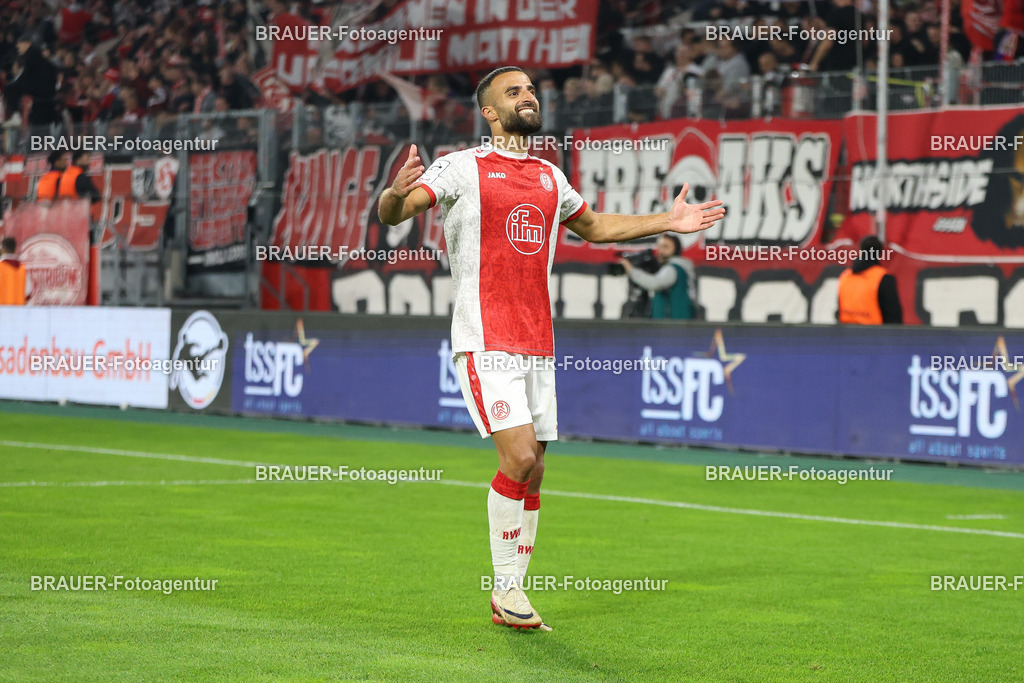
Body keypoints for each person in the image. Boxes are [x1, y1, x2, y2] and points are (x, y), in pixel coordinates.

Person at [377, 65, 725, 631]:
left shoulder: (548, 176)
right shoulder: (461, 167)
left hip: (537, 341)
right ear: (489, 112)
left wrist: (668, 220)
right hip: (486, 337)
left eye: (531, 90)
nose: (528, 96)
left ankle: (511, 595)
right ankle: (505, 588)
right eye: (513, 92)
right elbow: (397, 213)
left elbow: (596, 227)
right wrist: (393, 194)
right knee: (517, 458)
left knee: (534, 471)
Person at [619, 234, 697, 319]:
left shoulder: (672, 269)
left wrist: (631, 270)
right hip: (673, 322)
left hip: (672, 323)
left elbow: (654, 283)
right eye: (659, 246)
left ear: (676, 249)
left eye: (666, 247)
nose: (661, 251)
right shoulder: (679, 268)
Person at [837, 236, 903, 324]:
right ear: (880, 253)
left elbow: (839, 310)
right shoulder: (883, 277)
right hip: (873, 331)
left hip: (845, 330)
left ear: (861, 251)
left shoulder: (846, 275)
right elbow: (893, 315)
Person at [0, 237, 31, 305]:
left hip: (2, 308)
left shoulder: (1, 266)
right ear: (14, 249)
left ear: (3, 249)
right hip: (19, 309)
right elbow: (28, 292)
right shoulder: (23, 267)